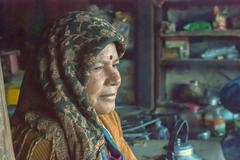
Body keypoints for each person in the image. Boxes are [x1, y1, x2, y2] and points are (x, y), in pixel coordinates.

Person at [11, 11, 137, 160]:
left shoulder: (106, 119)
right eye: (97, 68)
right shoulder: (43, 145)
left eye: (115, 64)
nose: (116, 79)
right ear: (62, 75)